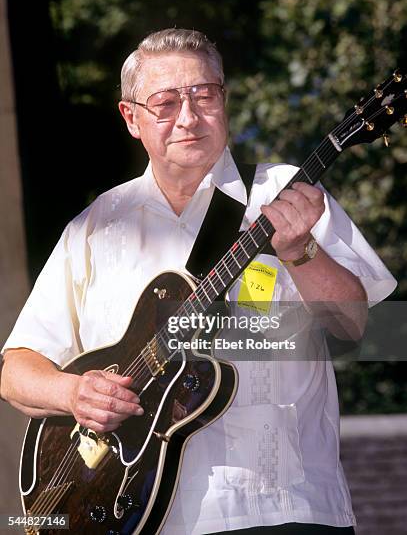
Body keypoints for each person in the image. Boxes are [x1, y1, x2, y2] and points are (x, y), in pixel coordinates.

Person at [0, 28, 396, 535]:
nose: (187, 118)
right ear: (131, 118)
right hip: (135, 515)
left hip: (282, 507)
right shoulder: (98, 223)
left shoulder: (284, 191)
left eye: (203, 96)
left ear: (223, 100)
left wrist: (302, 252)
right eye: (164, 103)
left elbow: (357, 326)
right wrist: (76, 393)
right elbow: (17, 370)